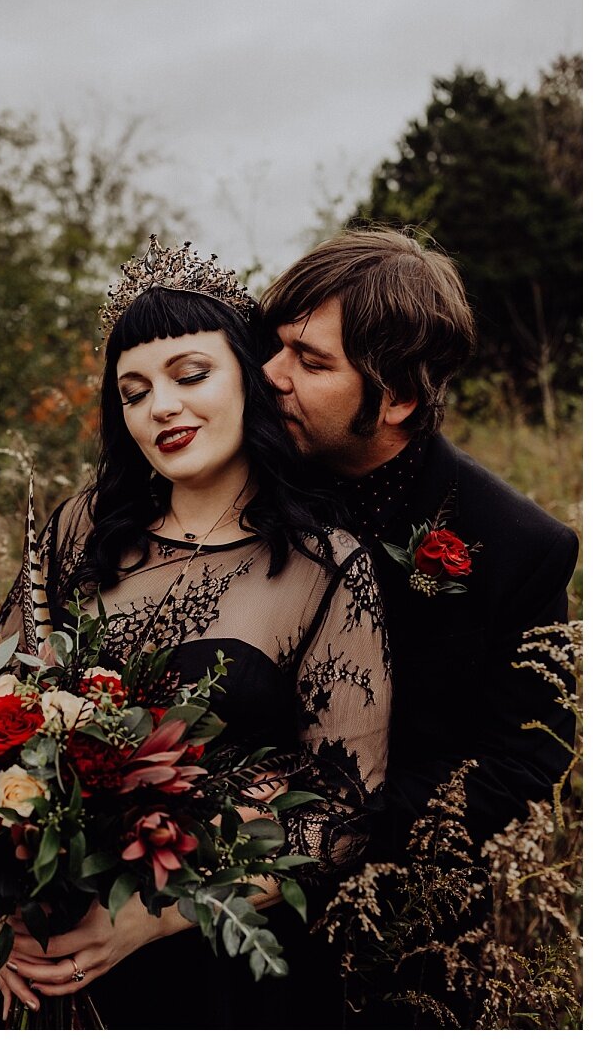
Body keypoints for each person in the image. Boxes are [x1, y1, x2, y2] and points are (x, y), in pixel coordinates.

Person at [0, 238, 391, 1029]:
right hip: (42, 956)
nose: (160, 406)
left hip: (213, 967)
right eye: (133, 391)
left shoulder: (324, 566)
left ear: (251, 381)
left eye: (190, 376)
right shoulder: (79, 532)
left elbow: (342, 814)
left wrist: (148, 916)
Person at [261, 230, 578, 1017]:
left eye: (311, 359)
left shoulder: (517, 545)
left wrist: (329, 835)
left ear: (398, 395)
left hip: (393, 935)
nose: (271, 374)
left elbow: (524, 756)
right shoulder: (241, 483)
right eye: (274, 347)